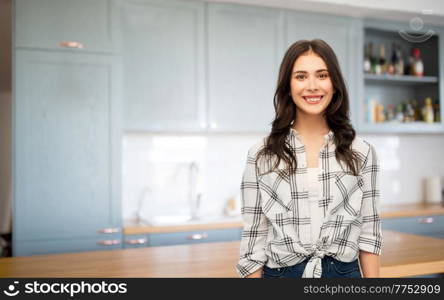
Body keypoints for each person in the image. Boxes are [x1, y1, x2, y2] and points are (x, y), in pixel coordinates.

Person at [235, 39, 382, 278]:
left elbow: (369, 235)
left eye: (322, 75)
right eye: (301, 76)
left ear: (334, 84)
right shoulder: (261, 154)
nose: (312, 86)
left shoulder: (362, 152)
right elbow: (254, 241)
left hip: (344, 274)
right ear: (288, 86)